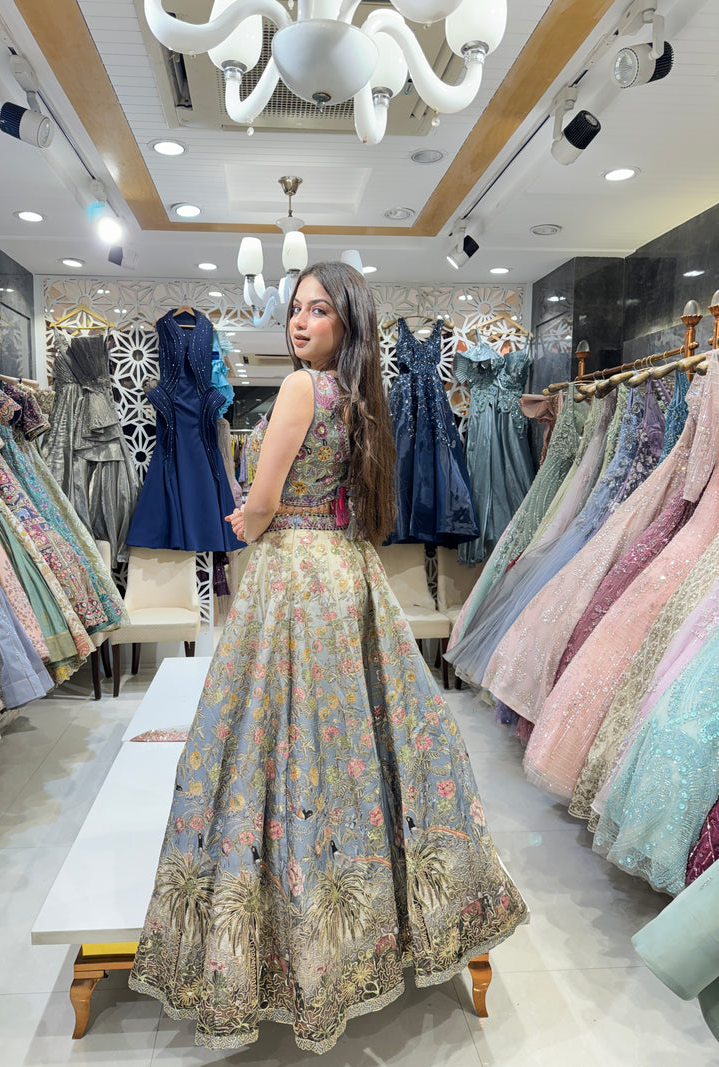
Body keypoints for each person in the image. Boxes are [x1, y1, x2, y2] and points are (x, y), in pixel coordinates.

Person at [128, 262, 528, 1054]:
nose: (300, 323)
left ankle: (278, 944)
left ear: (347, 321)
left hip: (292, 573)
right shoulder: (358, 396)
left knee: (275, 746)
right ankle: (376, 929)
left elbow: (268, 498)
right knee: (358, 745)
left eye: (318, 310)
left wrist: (244, 519)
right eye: (296, 309)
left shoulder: (301, 390)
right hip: (348, 571)